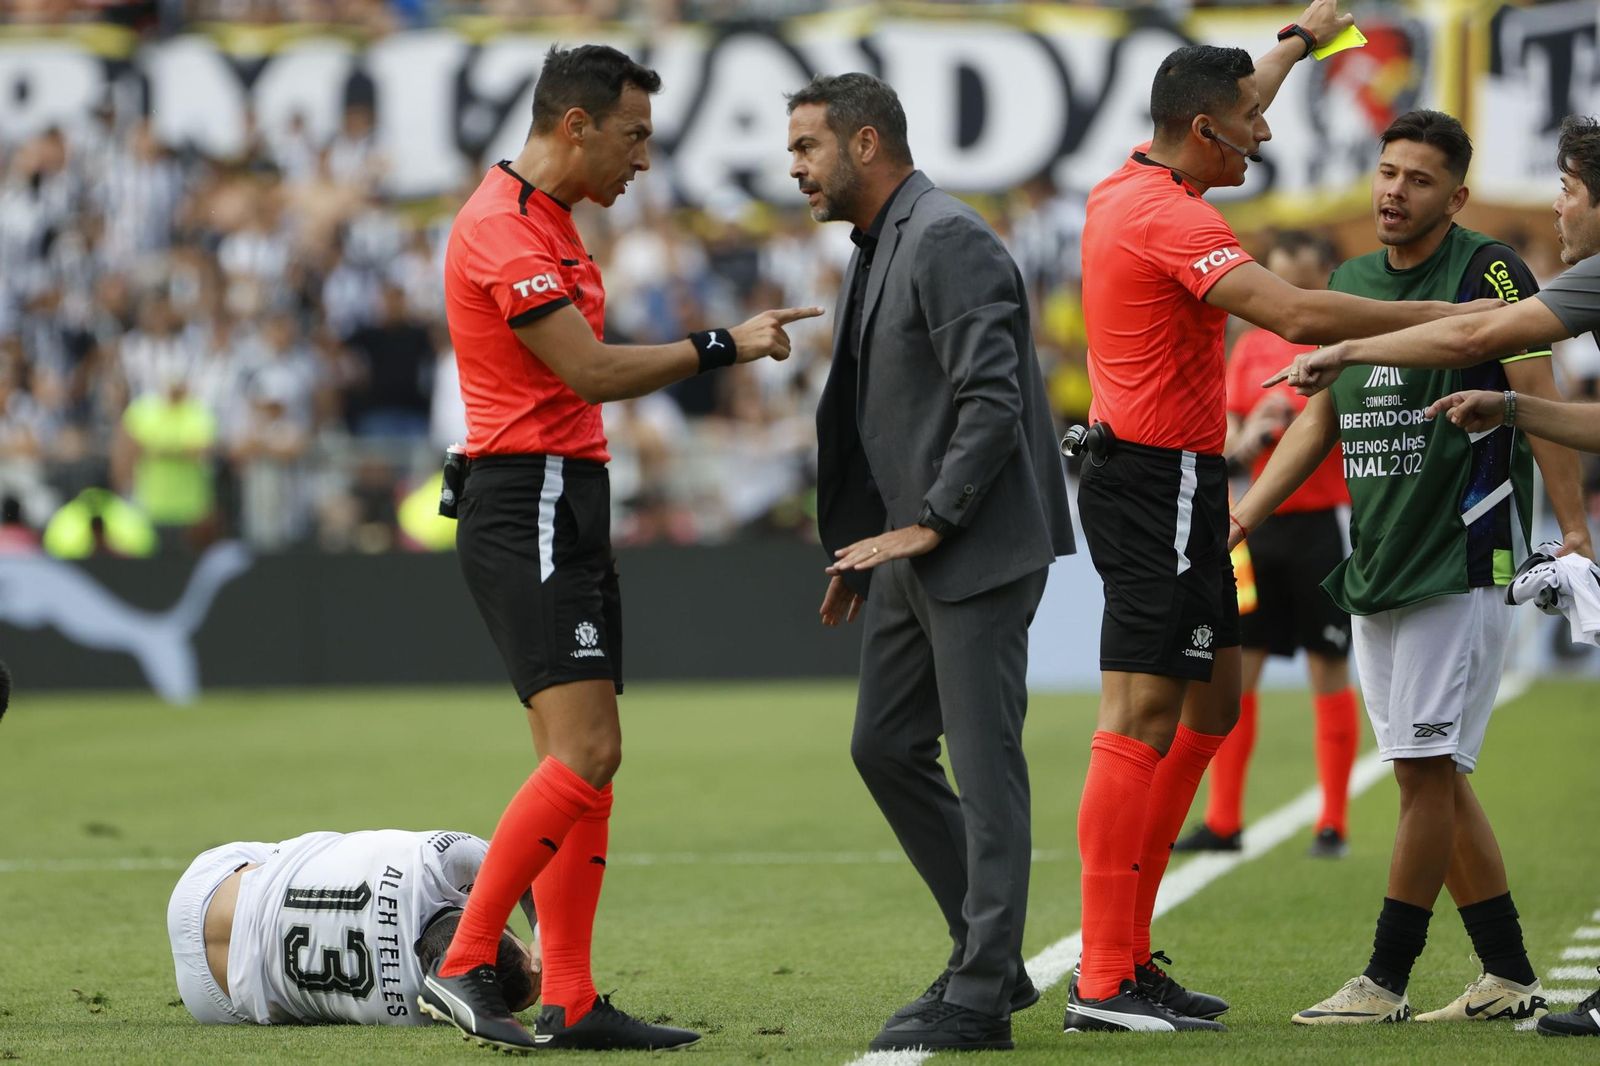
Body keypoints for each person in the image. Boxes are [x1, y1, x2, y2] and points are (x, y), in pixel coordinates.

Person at [1069, 7, 1504, 1034]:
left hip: (1180, 481)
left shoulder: (1144, 174)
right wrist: (1445, 315)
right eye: (1246, 126)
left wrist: (1298, 39)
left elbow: (1239, 93)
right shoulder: (1174, 219)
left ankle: (1128, 953)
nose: (1262, 134)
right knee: (1137, 713)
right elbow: (1302, 318)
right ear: (1203, 135)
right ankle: (1102, 977)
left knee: (1212, 704)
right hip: (1154, 480)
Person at [424, 44, 818, 1053]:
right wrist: (722, 343)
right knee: (588, 753)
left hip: (567, 497)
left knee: (584, 762)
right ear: (574, 125)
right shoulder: (500, 229)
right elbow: (589, 370)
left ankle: (570, 995)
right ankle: (468, 961)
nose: (643, 159)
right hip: (532, 499)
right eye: (633, 135)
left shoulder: (548, 221)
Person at [1231, 109, 1589, 1026]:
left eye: (1419, 179)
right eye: (1387, 172)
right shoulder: (1348, 280)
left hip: (1461, 556)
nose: (1394, 191)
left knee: (1427, 770)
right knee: (1425, 773)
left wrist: (1575, 532)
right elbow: (1322, 418)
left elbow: (1534, 390)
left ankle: (1384, 979)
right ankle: (1507, 975)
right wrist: (1244, 514)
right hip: (1379, 559)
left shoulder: (1491, 271)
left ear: (1457, 196)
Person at [790, 72, 1075, 1052]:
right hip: (911, 549)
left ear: (865, 143)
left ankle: (983, 985)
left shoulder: (947, 236)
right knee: (883, 744)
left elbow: (990, 399)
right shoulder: (885, 241)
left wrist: (935, 519)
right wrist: (868, 548)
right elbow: (895, 415)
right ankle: (983, 954)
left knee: (986, 767)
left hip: (974, 546)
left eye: (807, 148)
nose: (795, 168)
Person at [1174, 231, 1360, 860]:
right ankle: (1224, 819)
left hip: (1317, 528)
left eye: (1301, 280)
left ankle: (1332, 821)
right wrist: (1247, 434)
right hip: (1257, 527)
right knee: (1238, 670)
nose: (1286, 295)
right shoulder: (1250, 346)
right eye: (1278, 281)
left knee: (1326, 668)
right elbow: (1226, 437)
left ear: (1323, 276)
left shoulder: (1339, 344)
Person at [166, 829, 537, 1028]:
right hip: (216, 998)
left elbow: (521, 857)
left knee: (309, 861)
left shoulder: (433, 858)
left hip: (209, 884)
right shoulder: (412, 1014)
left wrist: (541, 933)